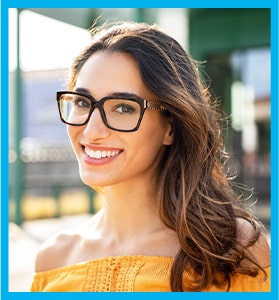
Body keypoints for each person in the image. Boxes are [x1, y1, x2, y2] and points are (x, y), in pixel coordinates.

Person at [30, 21, 270, 292]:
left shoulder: (234, 252)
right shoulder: (52, 261)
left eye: (123, 107)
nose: (92, 130)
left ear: (170, 126)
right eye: (83, 103)